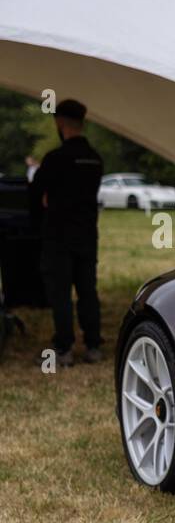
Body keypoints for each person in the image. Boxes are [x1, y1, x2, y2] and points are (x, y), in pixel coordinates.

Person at [30, 98, 104, 368]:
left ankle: (64, 348)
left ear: (60, 123)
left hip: (58, 237)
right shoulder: (94, 159)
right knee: (87, 291)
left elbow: (36, 192)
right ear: (82, 123)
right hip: (86, 235)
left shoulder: (55, 159)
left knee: (60, 294)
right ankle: (93, 345)